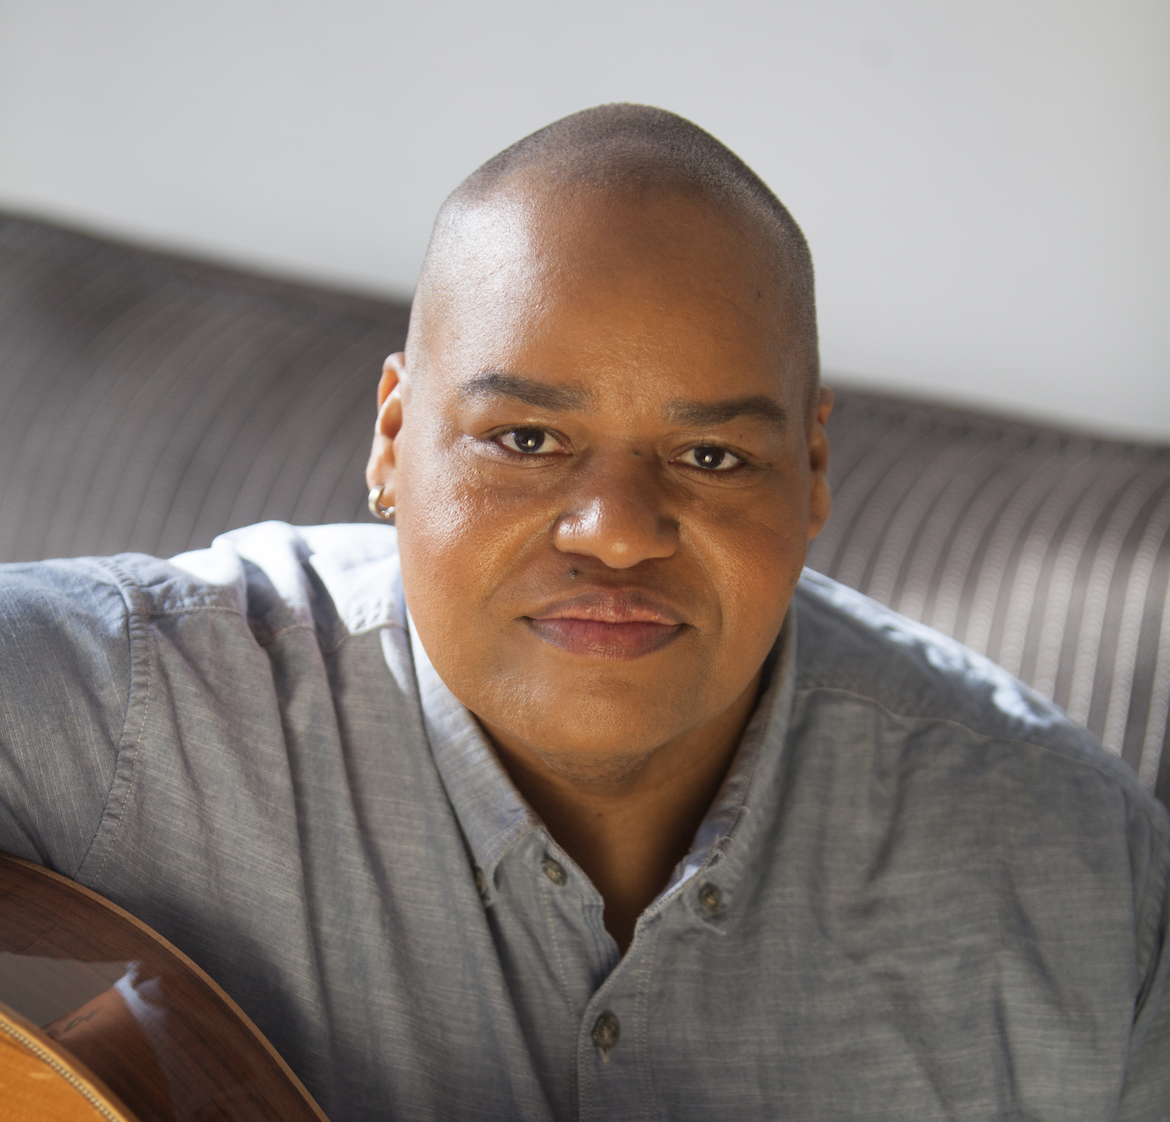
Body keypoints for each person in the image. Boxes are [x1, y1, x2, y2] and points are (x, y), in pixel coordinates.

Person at [0, 104, 1166, 1121]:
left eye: (710, 453)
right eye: (526, 440)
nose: (616, 529)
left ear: (812, 470)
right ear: (395, 440)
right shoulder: (132, 709)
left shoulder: (1084, 875)